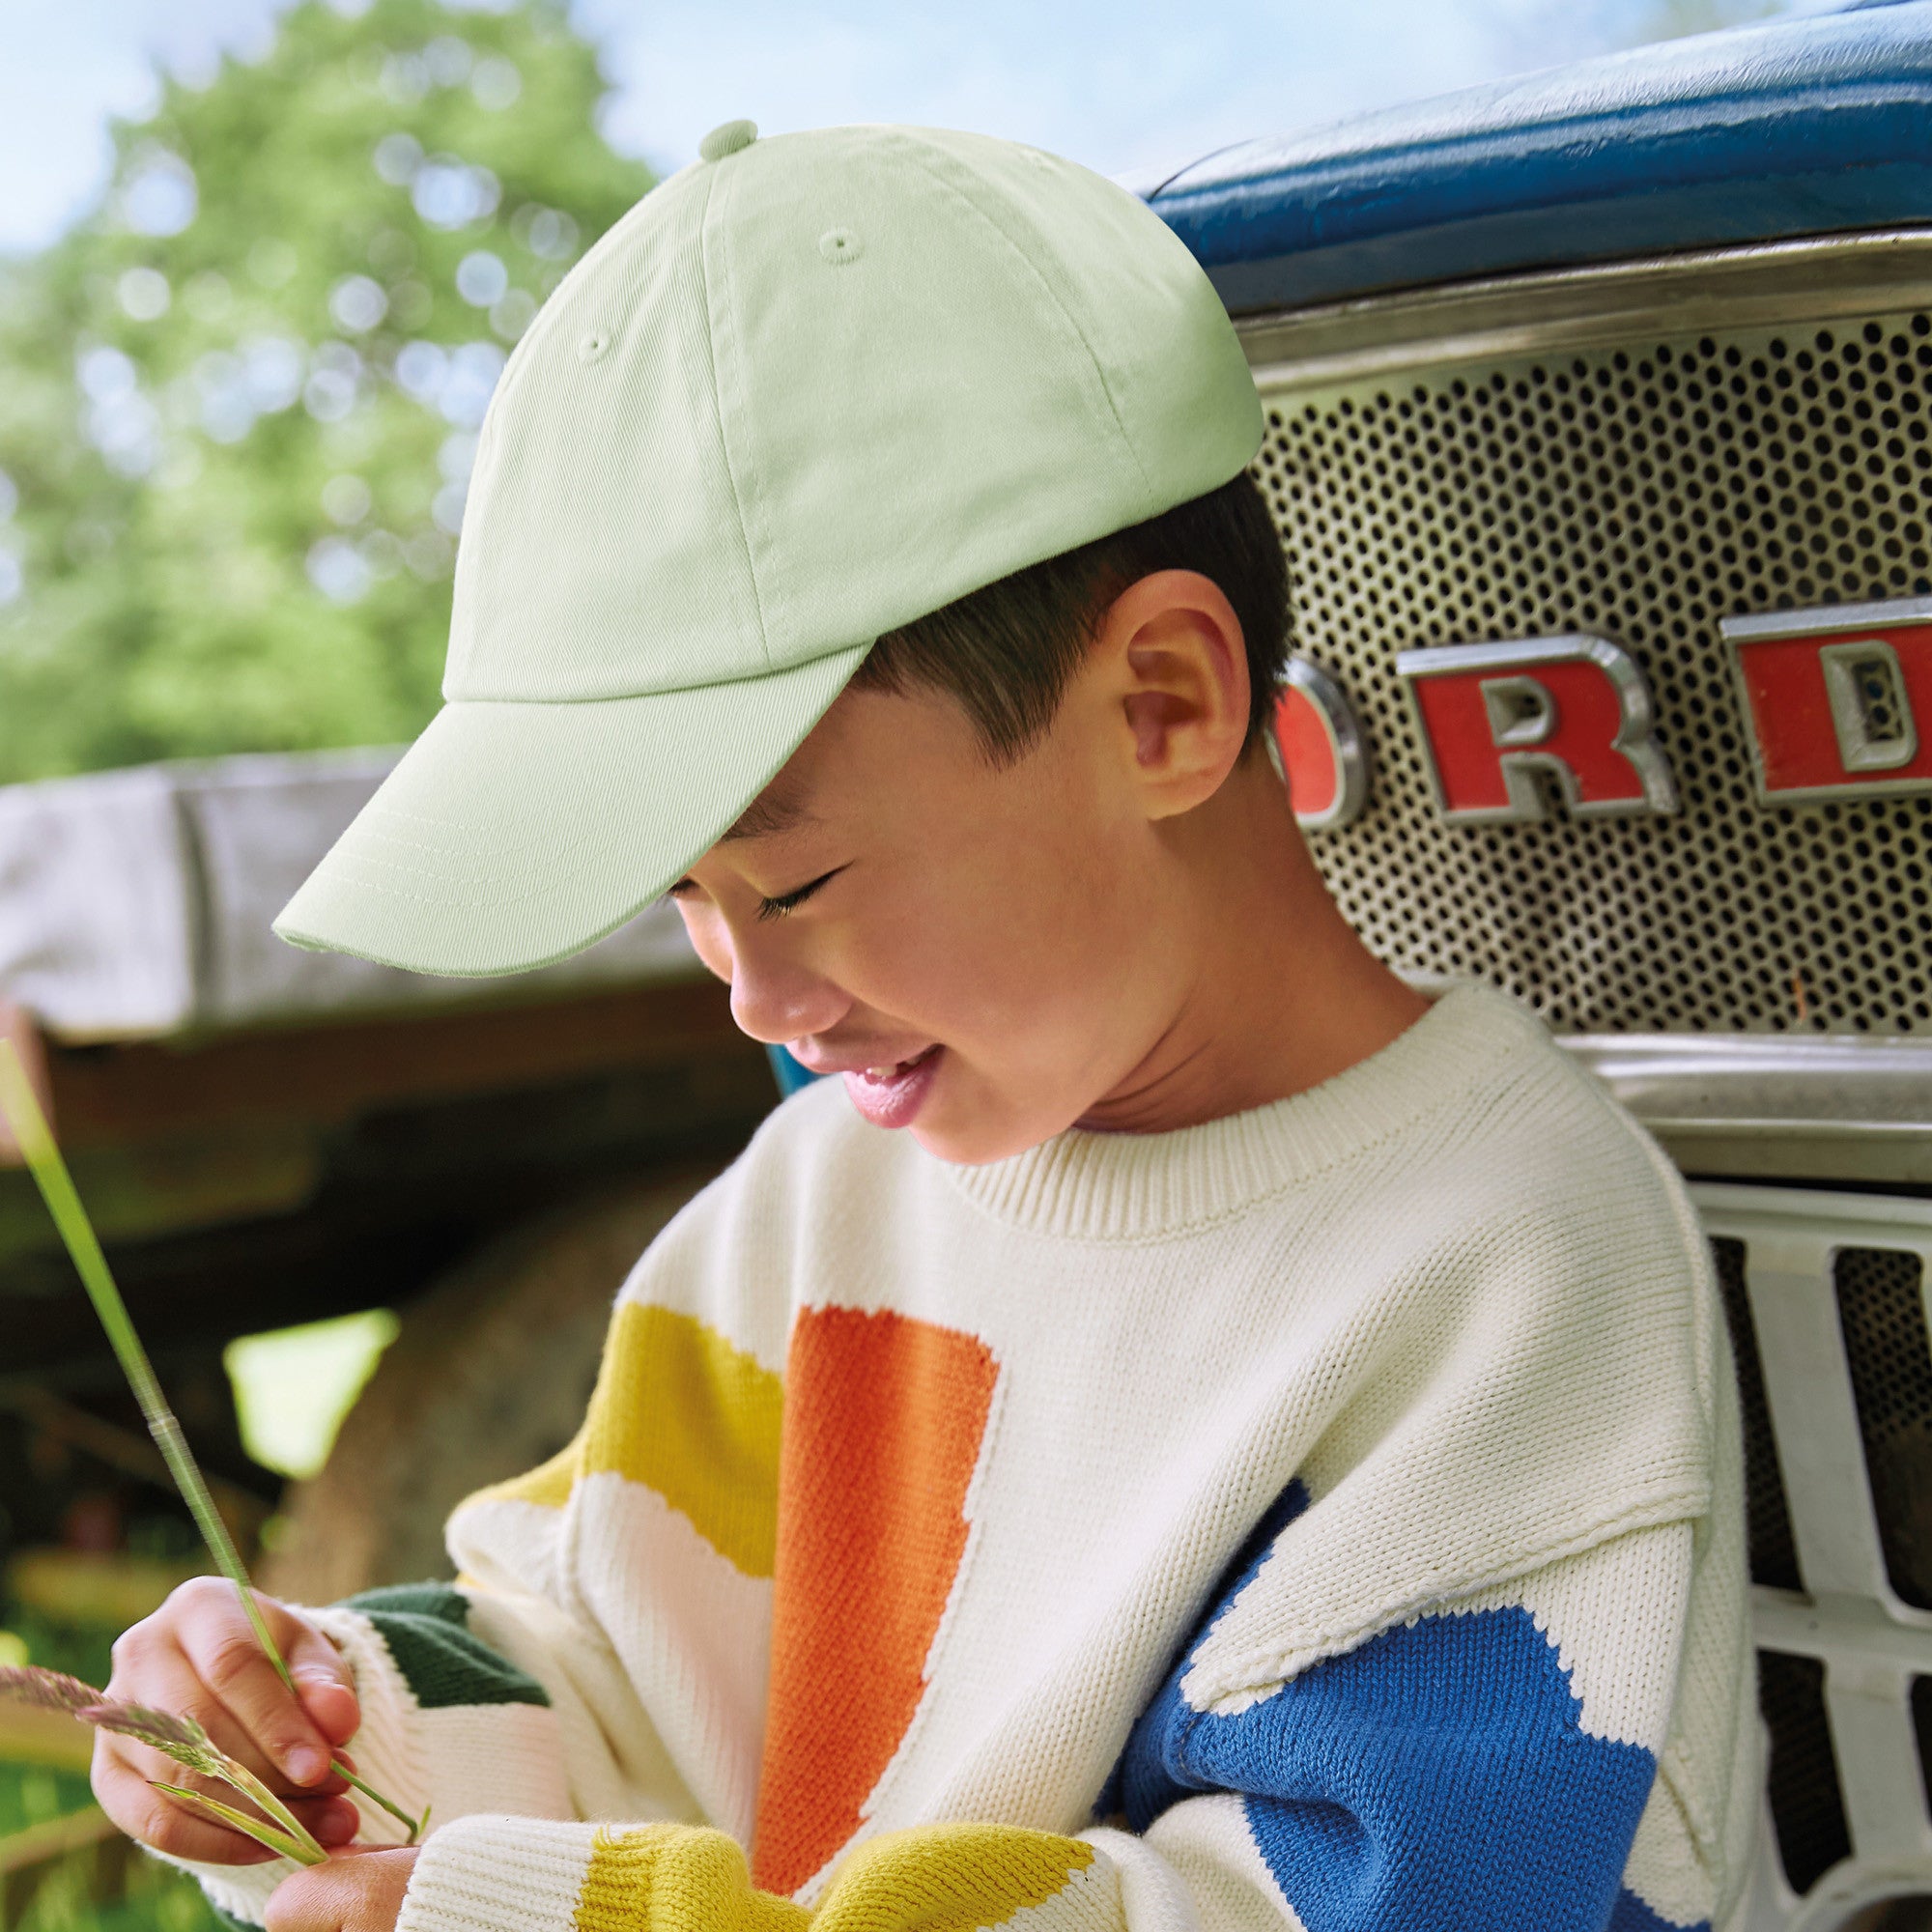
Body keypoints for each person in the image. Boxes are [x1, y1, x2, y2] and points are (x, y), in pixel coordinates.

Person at [92, 120, 1759, 1932]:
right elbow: (606, 1652)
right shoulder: (814, 1205)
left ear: (1162, 707)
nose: (754, 995)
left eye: (792, 888)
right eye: (688, 901)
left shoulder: (1492, 1269)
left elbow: (1361, 1905)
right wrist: (335, 1728)